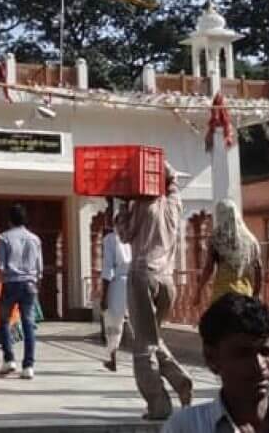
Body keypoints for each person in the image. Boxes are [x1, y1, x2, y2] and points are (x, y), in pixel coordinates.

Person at [162, 294, 269, 433]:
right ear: (212, 358)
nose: (259, 365)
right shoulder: (184, 428)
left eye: (266, 352)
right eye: (243, 354)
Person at [116, 162, 194, 421]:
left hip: (143, 275)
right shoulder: (174, 202)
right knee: (152, 337)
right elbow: (172, 184)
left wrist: (120, 208)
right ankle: (179, 379)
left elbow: (125, 235)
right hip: (167, 281)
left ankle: (158, 403)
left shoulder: (142, 206)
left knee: (143, 345)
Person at [0, 203, 42, 380]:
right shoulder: (35, 239)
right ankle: (28, 365)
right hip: (30, 284)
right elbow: (39, 269)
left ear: (10, 220)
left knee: (4, 321)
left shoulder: (3, 238)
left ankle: (9, 359)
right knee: (29, 324)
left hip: (10, 283)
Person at [196, 199, 262, 303]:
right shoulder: (251, 240)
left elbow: (209, 268)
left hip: (221, 298)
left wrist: (199, 290)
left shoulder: (216, 239)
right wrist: (256, 294)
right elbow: (258, 269)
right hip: (244, 296)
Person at [100, 201, 132, 372]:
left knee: (113, 321)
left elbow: (107, 268)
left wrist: (104, 295)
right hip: (135, 281)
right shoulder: (135, 237)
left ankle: (113, 357)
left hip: (118, 284)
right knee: (136, 322)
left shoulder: (111, 239)